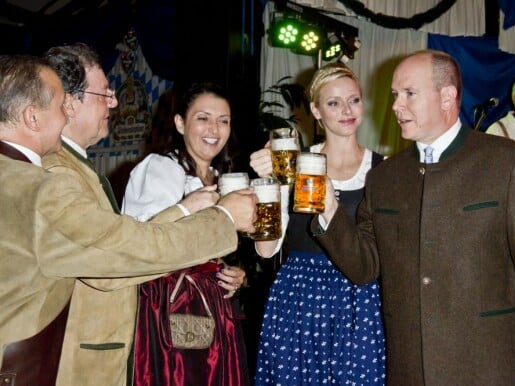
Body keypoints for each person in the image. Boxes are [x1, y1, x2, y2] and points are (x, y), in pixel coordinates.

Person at [0, 54, 256, 386]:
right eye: (61, 104)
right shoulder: (36, 185)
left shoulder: (20, 175)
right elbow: (117, 253)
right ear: (32, 117)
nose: (66, 115)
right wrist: (222, 219)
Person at [313, 50, 515, 386]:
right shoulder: (384, 177)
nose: (395, 107)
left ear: (447, 96)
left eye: (409, 94)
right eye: (394, 96)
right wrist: (328, 208)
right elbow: (364, 268)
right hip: (409, 370)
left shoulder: (508, 163)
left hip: (489, 369)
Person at [249, 62, 386, 385]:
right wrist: (271, 185)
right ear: (315, 109)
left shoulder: (384, 170)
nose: (346, 110)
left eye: (353, 100)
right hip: (299, 297)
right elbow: (266, 251)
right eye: (333, 103)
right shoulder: (291, 165)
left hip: (360, 299)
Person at [122, 82, 250, 386]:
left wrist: (231, 272)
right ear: (180, 123)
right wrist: (186, 206)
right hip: (168, 305)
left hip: (212, 305)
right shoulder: (161, 168)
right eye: (203, 118)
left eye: (223, 121)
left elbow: (208, 247)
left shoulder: (221, 179)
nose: (214, 129)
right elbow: (141, 238)